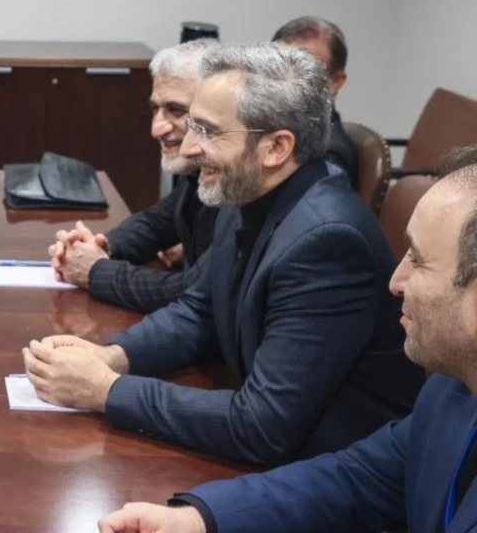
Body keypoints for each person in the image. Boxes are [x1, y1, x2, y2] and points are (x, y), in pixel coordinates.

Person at [23, 43, 423, 465]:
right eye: (193, 126)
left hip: (336, 472)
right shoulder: (245, 193)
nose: (189, 148)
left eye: (209, 131)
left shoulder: (328, 243)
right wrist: (112, 357)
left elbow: (262, 426)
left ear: (276, 148)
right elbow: (200, 311)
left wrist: (106, 390)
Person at [98, 147, 477, 533]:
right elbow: (360, 480)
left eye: (419, 260)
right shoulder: (451, 391)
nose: (396, 282)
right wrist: (196, 520)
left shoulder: (327, 234)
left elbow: (264, 424)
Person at [50, 38, 220, 312]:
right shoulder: (199, 170)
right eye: (155, 109)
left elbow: (193, 292)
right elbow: (157, 222)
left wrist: (95, 270)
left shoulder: (239, 183)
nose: (156, 128)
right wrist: (102, 245)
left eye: (176, 110)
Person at [271, 16, 357, 186]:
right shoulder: (265, 126)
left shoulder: (328, 156)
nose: (286, 80)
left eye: (304, 71)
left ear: (335, 82)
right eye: (279, 66)